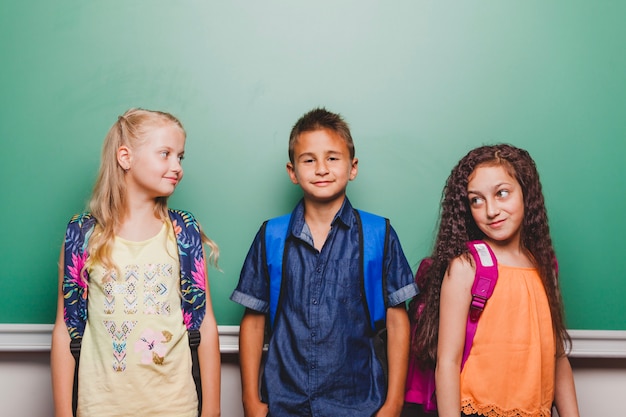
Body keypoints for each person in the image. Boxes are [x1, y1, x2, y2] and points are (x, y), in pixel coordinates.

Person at [231, 107, 418, 417]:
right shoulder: (272, 235)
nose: (321, 169)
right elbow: (253, 319)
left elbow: (398, 320)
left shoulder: (377, 233)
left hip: (360, 403)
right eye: (309, 160)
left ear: (352, 167)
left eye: (332, 158)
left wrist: (393, 403)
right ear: (292, 172)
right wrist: (250, 399)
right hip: (284, 403)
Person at [50, 108, 221, 417]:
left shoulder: (184, 231)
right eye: (165, 154)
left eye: (180, 157)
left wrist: (213, 410)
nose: (176, 166)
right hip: (100, 407)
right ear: (125, 157)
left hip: (175, 406)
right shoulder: (82, 235)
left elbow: (205, 323)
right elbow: (66, 328)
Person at [409, 144, 579, 417]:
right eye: (477, 200)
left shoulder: (545, 266)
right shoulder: (466, 266)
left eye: (502, 194)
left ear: (526, 192)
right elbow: (448, 362)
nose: (491, 210)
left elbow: (557, 357)